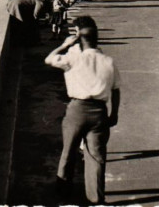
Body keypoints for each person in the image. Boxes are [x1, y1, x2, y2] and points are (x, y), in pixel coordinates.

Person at [45, 16, 121, 205]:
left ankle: (63, 195)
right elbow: (116, 89)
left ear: (80, 40)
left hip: (77, 109)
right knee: (96, 157)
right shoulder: (108, 61)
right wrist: (114, 113)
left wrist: (64, 45)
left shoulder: (73, 58)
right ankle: (95, 199)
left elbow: (49, 59)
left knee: (68, 152)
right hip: (99, 112)